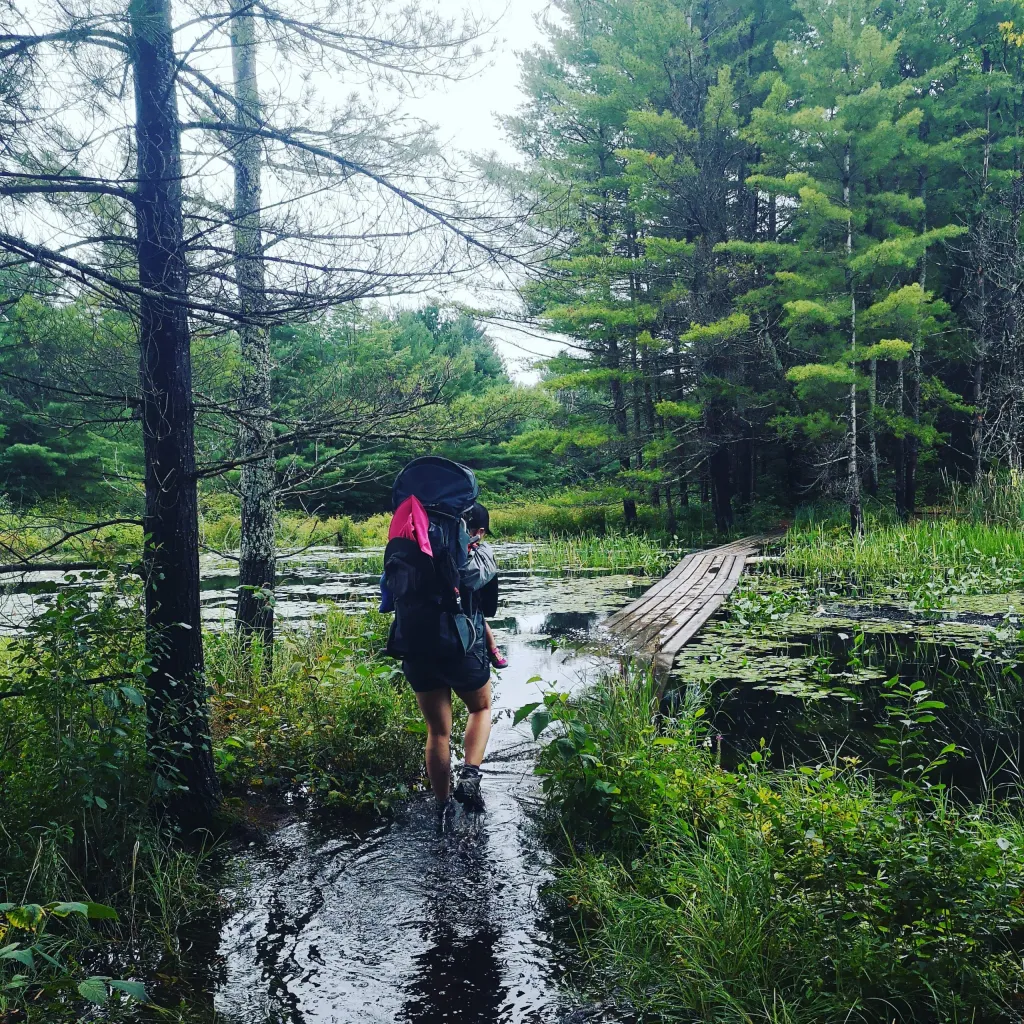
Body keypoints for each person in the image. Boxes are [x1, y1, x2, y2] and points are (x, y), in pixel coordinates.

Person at [399, 510, 496, 816]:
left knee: (438, 731)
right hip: (460, 646)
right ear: (478, 530)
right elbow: (482, 599)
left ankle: (442, 806)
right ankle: (469, 774)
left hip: (416, 644)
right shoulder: (474, 553)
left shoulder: (410, 548)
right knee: (480, 708)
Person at [464, 502, 508, 669]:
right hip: (470, 620)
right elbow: (488, 606)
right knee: (480, 616)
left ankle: (494, 650)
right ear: (480, 532)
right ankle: (493, 651)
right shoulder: (479, 557)